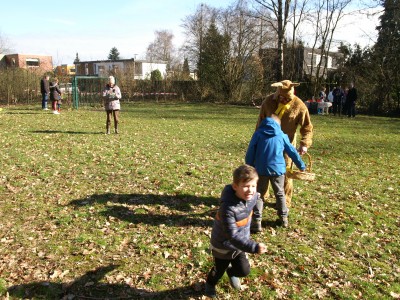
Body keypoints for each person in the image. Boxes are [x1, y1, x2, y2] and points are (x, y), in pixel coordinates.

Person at [204, 165, 267, 298]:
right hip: (223, 245)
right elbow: (231, 235)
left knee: (244, 270)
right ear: (235, 187)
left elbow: (257, 198)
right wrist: (254, 247)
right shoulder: (228, 208)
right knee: (218, 270)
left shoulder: (252, 196)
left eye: (253, 186)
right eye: (245, 186)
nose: (250, 190)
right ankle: (210, 284)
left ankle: (232, 272)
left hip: (240, 244)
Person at [255, 80, 313, 211]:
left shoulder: (299, 106)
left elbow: (307, 127)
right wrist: (257, 141)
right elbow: (260, 123)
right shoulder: (268, 102)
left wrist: (304, 144)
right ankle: (261, 197)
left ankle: (284, 202)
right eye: (282, 97)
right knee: (263, 170)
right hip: (267, 144)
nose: (284, 100)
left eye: (287, 98)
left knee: (286, 173)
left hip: (287, 144)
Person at [245, 114, 306, 231]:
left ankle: (257, 221)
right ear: (278, 125)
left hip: (261, 169)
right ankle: (283, 218)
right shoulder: (282, 135)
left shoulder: (258, 134)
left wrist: (249, 165)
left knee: (259, 194)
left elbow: (251, 150)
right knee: (280, 193)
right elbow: (292, 151)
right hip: (278, 170)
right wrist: (301, 165)